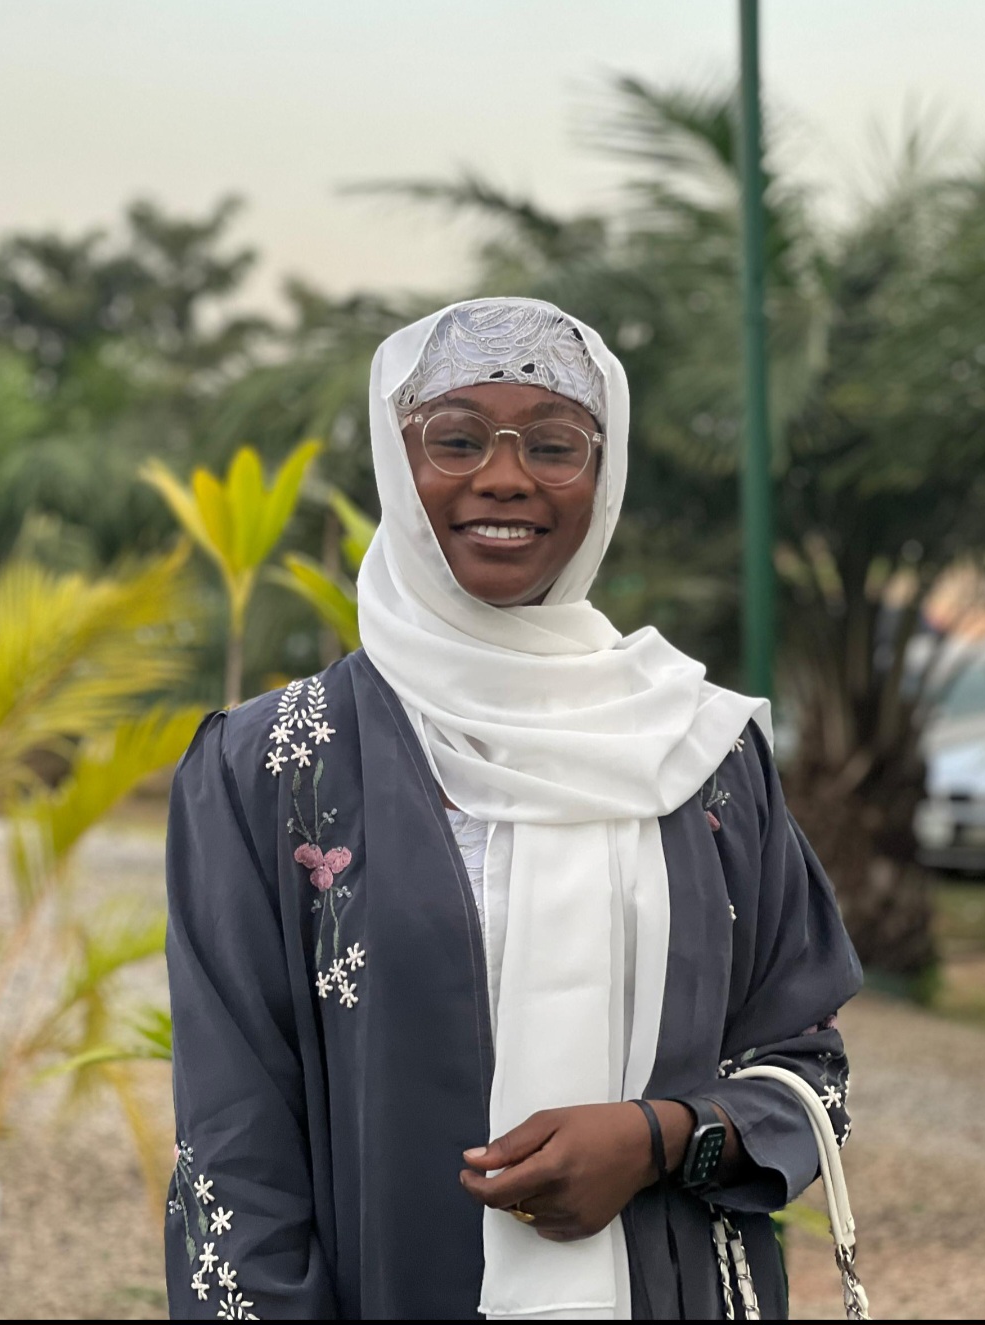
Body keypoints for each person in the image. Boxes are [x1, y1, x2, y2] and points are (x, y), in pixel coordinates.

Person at [164, 298, 861, 1321]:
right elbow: (235, 1136)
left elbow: (807, 1065)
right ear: (397, 462)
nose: (504, 476)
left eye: (554, 444)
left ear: (603, 475)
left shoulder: (701, 752)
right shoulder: (272, 765)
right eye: (455, 439)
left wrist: (656, 1137)